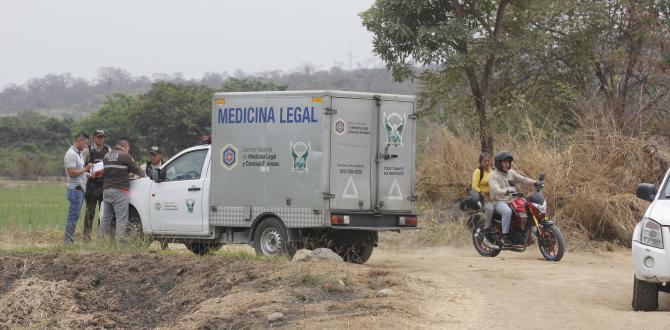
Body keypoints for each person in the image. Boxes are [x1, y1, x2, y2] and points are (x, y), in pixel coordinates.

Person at [99, 138, 145, 242]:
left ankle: (100, 241)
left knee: (106, 218)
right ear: (125, 147)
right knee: (122, 218)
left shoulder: (106, 155)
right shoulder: (125, 156)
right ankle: (120, 243)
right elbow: (137, 170)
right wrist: (145, 175)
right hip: (120, 190)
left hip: (107, 190)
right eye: (128, 149)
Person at [488, 151, 537, 246]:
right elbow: (495, 190)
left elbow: (523, 179)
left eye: (508, 162)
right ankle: (505, 236)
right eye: (504, 162)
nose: (507, 164)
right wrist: (505, 191)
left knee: (528, 208)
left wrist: (535, 183)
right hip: (499, 201)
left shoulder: (510, 173)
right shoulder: (493, 176)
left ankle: (527, 233)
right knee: (507, 212)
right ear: (499, 163)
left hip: (513, 200)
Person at [63, 132, 93, 244]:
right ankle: (68, 242)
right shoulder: (71, 154)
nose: (86, 145)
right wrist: (86, 169)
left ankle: (69, 240)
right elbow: (72, 173)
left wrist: (90, 174)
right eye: (85, 143)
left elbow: (79, 172)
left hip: (80, 189)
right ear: (79, 141)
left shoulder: (79, 153)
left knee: (75, 216)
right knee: (73, 216)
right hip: (75, 189)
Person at [81, 129, 110, 241]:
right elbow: (81, 168)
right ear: (94, 137)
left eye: (103, 137)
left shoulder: (108, 149)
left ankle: (101, 237)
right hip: (92, 185)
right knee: (90, 212)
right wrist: (89, 173)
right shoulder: (87, 150)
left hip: (104, 184)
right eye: (99, 137)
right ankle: (86, 237)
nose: (101, 139)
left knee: (103, 213)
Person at [471, 152, 495, 240]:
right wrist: (483, 194)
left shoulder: (492, 171)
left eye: (489, 160)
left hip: (492, 196)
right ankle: (487, 229)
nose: (487, 163)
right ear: (481, 162)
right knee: (490, 208)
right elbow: (474, 186)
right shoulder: (478, 171)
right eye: (485, 161)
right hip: (481, 197)